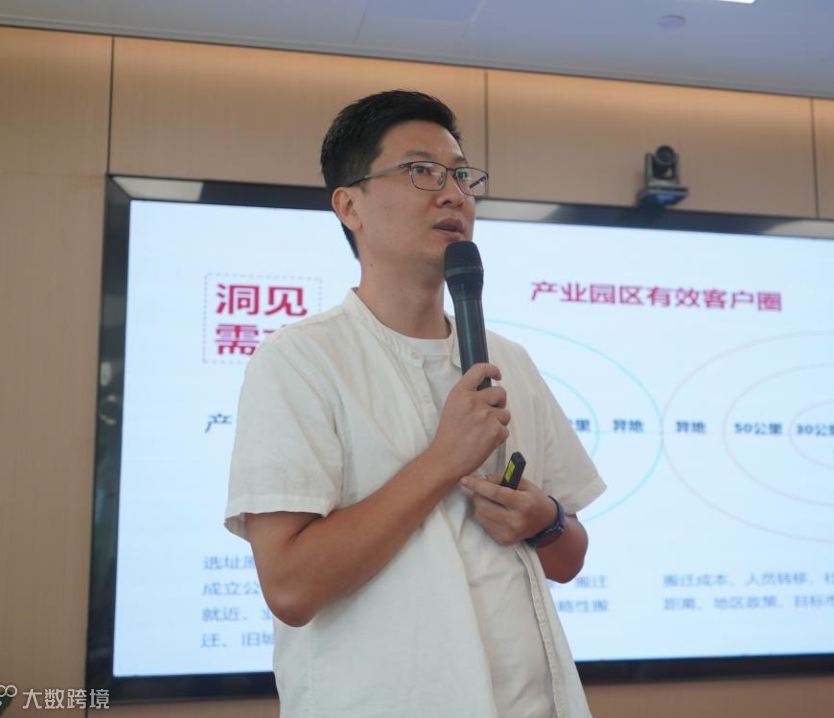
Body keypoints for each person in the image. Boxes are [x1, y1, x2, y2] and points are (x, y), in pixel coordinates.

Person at [225, 89, 606, 717]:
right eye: (421, 171)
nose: (453, 194)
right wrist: (442, 461)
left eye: (460, 175)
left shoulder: (510, 359)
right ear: (349, 205)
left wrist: (544, 520)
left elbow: (568, 559)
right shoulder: (300, 360)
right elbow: (290, 588)